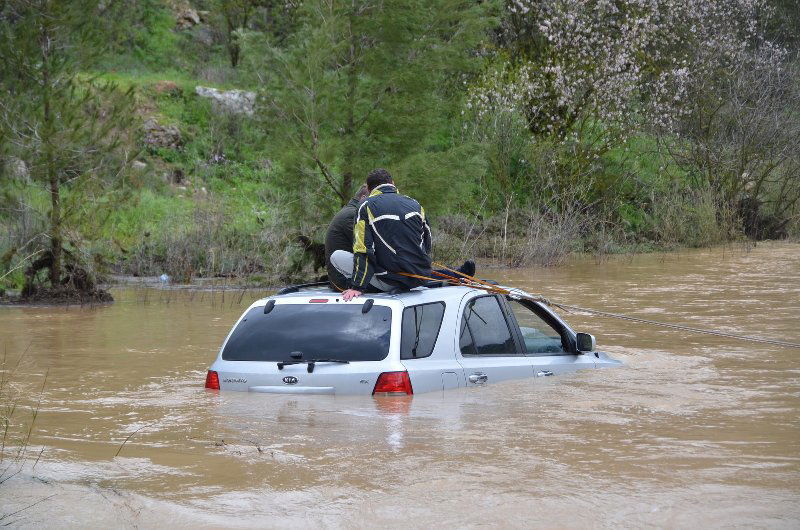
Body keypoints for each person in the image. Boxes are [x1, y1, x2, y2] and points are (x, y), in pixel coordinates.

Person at [331, 168, 475, 301]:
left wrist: (357, 287)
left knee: (336, 256)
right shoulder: (415, 204)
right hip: (418, 277)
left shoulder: (365, 206)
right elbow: (427, 242)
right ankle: (455, 276)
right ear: (392, 184)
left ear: (369, 189)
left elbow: (363, 250)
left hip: (388, 280)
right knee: (407, 265)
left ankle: (454, 276)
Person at [324, 184, 369, 291]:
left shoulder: (350, 212)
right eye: (373, 200)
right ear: (363, 198)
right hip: (343, 280)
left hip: (343, 276)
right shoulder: (352, 215)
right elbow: (366, 247)